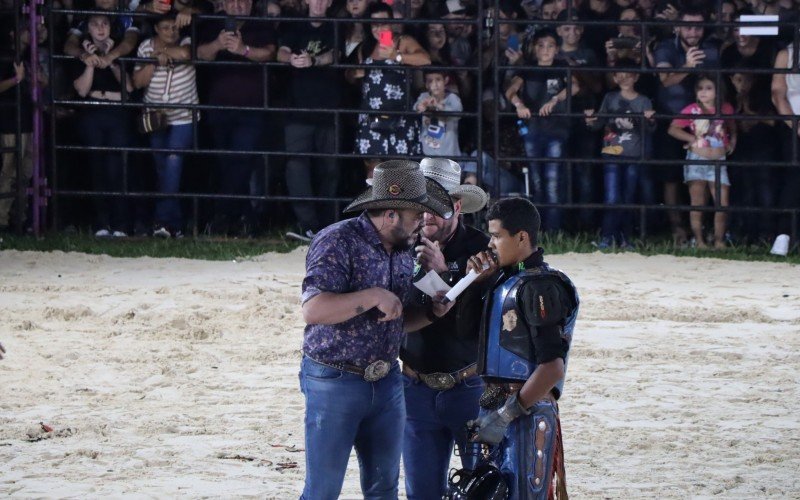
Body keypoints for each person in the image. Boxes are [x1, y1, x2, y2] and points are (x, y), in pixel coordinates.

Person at [299, 160, 456, 500]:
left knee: (384, 488)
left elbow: (397, 316)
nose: (421, 224)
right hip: (335, 380)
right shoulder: (336, 241)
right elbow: (313, 310)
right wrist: (372, 296)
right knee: (323, 490)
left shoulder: (404, 251)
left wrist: (432, 311)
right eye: (416, 216)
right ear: (390, 215)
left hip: (387, 382)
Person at [459, 197, 579, 499]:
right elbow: (465, 334)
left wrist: (504, 416)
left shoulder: (540, 286)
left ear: (522, 237)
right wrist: (475, 284)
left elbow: (552, 368)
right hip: (499, 407)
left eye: (497, 235)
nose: (490, 243)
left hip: (525, 410)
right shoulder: (503, 280)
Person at [401, 158, 490, 499]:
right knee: (420, 493)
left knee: (481, 489)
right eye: (421, 205)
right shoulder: (400, 243)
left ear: (457, 206)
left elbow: (475, 322)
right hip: (414, 387)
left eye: (437, 207)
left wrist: (443, 276)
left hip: (468, 387)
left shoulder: (482, 249)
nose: (426, 216)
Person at [196, 0, 276, 236]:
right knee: (225, 163)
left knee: (241, 159)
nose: (239, 6)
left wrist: (244, 50)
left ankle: (223, 215)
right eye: (234, 1)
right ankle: (243, 218)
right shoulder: (213, 24)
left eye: (244, 1)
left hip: (252, 107)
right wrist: (218, 43)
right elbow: (200, 54)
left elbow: (270, 53)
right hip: (219, 107)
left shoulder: (260, 24)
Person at [652, 7, 719, 246]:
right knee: (671, 178)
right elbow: (664, 79)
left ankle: (708, 231)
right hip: (671, 120)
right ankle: (677, 230)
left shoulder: (710, 48)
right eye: (688, 26)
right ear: (678, 27)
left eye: (698, 26)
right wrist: (687, 66)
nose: (693, 31)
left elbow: (719, 82)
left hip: (705, 123)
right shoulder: (666, 47)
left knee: (708, 179)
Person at [277, 0, 342, 242]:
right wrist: (291, 59)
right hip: (297, 107)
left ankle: (328, 225)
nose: (318, 3)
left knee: (330, 167)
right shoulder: (295, 24)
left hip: (329, 108)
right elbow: (280, 50)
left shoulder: (336, 24)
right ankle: (307, 224)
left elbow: (336, 54)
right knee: (296, 166)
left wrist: (313, 61)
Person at [133, 11, 198, 238]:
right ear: (157, 29)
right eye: (166, 28)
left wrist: (163, 51)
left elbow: (186, 54)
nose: (172, 32)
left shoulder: (187, 40)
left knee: (173, 159)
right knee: (163, 168)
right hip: (155, 115)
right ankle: (175, 224)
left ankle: (161, 220)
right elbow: (137, 81)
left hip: (183, 116)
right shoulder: (145, 47)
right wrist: (154, 60)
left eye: (174, 28)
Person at [347, 2, 431, 181]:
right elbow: (348, 75)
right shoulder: (366, 47)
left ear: (391, 23)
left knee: (400, 172)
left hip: (399, 116)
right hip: (371, 117)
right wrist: (356, 73)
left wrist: (397, 56)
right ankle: (378, 208)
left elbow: (424, 59)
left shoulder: (402, 41)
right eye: (374, 24)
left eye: (383, 23)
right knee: (373, 173)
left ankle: (398, 208)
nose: (379, 28)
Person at [71, 13, 135, 237]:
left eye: (105, 24)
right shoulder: (80, 52)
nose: (100, 28)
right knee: (96, 168)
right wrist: (89, 62)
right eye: (95, 24)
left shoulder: (119, 50)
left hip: (116, 113)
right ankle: (101, 223)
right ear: (88, 28)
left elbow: (128, 87)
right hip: (93, 113)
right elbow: (80, 90)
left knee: (117, 168)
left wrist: (110, 59)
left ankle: (120, 224)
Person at [587, 59, 656, 248]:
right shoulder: (610, 98)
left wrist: (649, 121)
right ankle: (608, 237)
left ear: (636, 77)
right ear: (615, 77)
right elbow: (599, 123)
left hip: (633, 154)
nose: (624, 78)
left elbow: (650, 129)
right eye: (620, 75)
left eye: (628, 75)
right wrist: (590, 120)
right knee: (612, 197)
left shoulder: (643, 101)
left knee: (627, 197)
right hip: (611, 153)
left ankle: (623, 238)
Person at [505, 28, 569, 232]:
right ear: (534, 48)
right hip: (533, 131)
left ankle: (554, 230)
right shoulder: (527, 68)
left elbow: (573, 86)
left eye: (550, 46)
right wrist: (519, 105)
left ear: (557, 49)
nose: (545, 50)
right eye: (541, 45)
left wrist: (555, 99)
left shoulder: (561, 67)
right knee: (536, 181)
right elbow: (510, 91)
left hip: (556, 131)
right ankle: (539, 232)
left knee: (552, 181)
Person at [668, 75, 736, 250]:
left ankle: (719, 240)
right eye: (700, 88)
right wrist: (692, 139)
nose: (703, 92)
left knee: (722, 202)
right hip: (697, 158)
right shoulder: (691, 110)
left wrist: (732, 140)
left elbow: (731, 125)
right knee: (697, 202)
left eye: (708, 88)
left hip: (718, 159)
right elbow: (673, 128)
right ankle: (699, 241)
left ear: (718, 91)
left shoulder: (725, 108)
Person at [414, 69, 463, 159]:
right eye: (430, 81)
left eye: (438, 80)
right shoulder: (424, 96)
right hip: (428, 154)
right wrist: (421, 106)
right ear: (426, 84)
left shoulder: (452, 98)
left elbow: (458, 113)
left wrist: (438, 105)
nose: (434, 84)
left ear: (446, 80)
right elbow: (416, 107)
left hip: (449, 155)